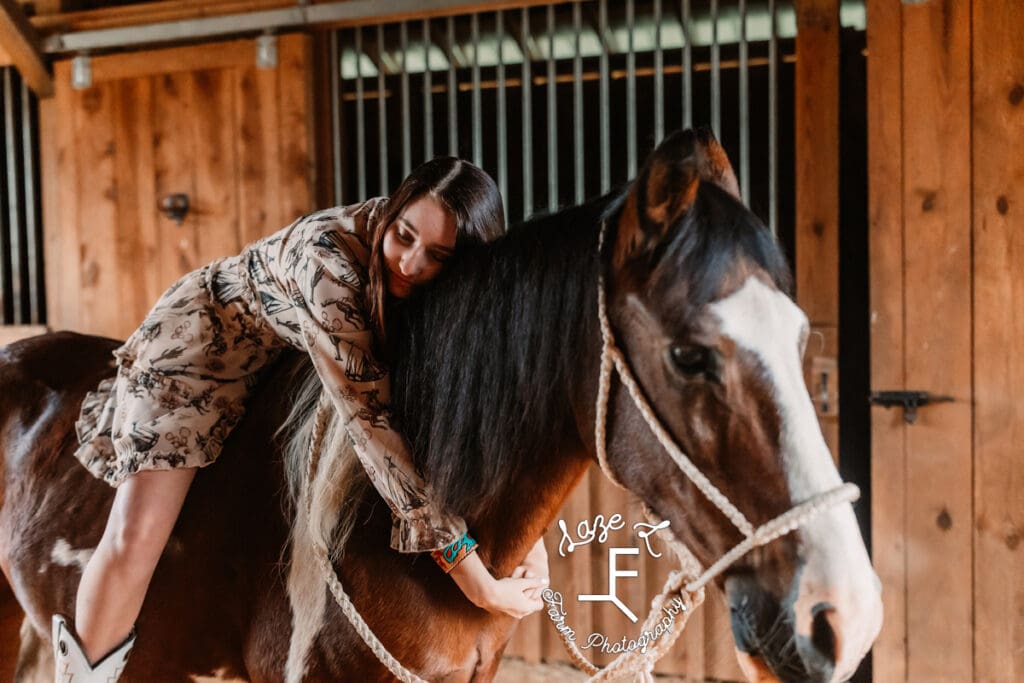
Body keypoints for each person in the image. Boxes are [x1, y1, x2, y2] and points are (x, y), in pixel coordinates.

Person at [56, 157, 550, 681]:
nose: (409, 263)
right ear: (394, 210)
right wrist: (477, 582)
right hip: (196, 348)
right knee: (137, 532)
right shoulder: (327, 264)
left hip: (277, 358)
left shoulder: (445, 283)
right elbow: (372, 428)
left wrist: (532, 540)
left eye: (437, 256)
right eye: (403, 235)